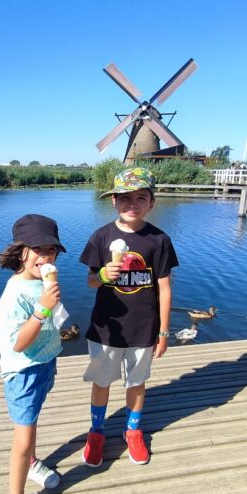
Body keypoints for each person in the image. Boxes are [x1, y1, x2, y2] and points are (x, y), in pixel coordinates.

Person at [79, 167, 178, 468]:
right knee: (102, 381)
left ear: (152, 203)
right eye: (124, 197)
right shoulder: (101, 236)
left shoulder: (158, 240)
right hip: (106, 329)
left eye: (140, 197)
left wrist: (163, 331)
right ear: (113, 202)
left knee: (136, 383)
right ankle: (96, 432)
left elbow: (164, 288)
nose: (131, 203)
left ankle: (132, 430)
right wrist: (103, 276)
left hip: (143, 329)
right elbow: (89, 281)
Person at [0, 213, 66, 494]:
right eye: (38, 249)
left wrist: (51, 303)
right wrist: (43, 311)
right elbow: (19, 342)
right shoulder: (13, 296)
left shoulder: (42, 283)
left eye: (51, 250)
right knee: (22, 438)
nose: (45, 257)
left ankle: (34, 463)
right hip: (23, 373)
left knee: (33, 421)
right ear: (20, 251)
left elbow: (50, 319)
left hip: (44, 363)